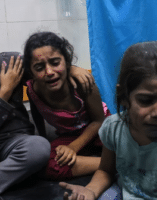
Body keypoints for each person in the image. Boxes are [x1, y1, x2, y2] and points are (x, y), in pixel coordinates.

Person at [0, 1, 94, 200]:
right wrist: (5, 92)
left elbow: (47, 65)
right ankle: (4, 174)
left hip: (18, 144)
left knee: (39, 148)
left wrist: (72, 68)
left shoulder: (13, 62)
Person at [60, 41, 157, 200]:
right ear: (124, 96)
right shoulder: (114, 128)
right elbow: (106, 170)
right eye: (146, 100)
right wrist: (90, 191)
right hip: (125, 191)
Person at [23, 32, 111, 180]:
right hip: (70, 135)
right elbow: (36, 113)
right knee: (44, 163)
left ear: (67, 61)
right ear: (31, 72)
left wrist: (73, 148)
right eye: (39, 67)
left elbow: (99, 121)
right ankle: (110, 162)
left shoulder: (82, 84)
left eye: (55, 63)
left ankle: (110, 159)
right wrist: (44, 140)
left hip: (99, 129)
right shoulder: (33, 90)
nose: (49, 72)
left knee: (127, 143)